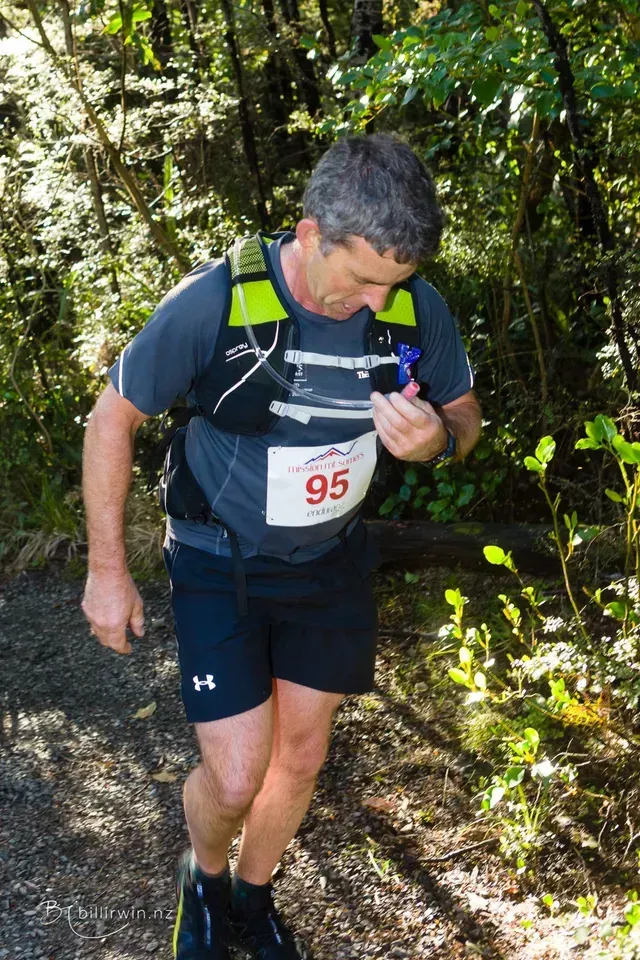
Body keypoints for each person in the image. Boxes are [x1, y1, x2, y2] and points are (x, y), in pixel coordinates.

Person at [81, 133, 482, 959]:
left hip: (330, 562)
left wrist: (437, 440)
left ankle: (253, 899)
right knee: (235, 777)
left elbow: (466, 417)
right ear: (310, 236)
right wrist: (107, 571)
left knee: (297, 762)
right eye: (361, 279)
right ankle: (204, 878)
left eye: (394, 284)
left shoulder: (414, 308)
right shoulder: (215, 302)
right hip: (217, 559)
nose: (377, 303)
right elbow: (111, 417)